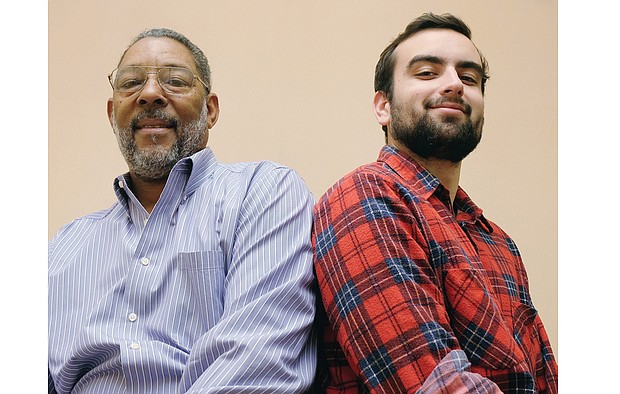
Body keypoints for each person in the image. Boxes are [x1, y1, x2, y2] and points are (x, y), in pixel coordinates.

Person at [48, 28, 316, 393]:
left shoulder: (263, 191)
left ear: (211, 110)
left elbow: (256, 361)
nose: (150, 94)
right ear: (113, 114)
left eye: (175, 81)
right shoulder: (63, 247)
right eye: (130, 83)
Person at [312, 13, 558, 393]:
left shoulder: (500, 243)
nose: (454, 85)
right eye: (427, 72)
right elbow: (431, 385)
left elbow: (545, 378)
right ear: (383, 107)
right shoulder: (365, 194)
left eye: (469, 77)